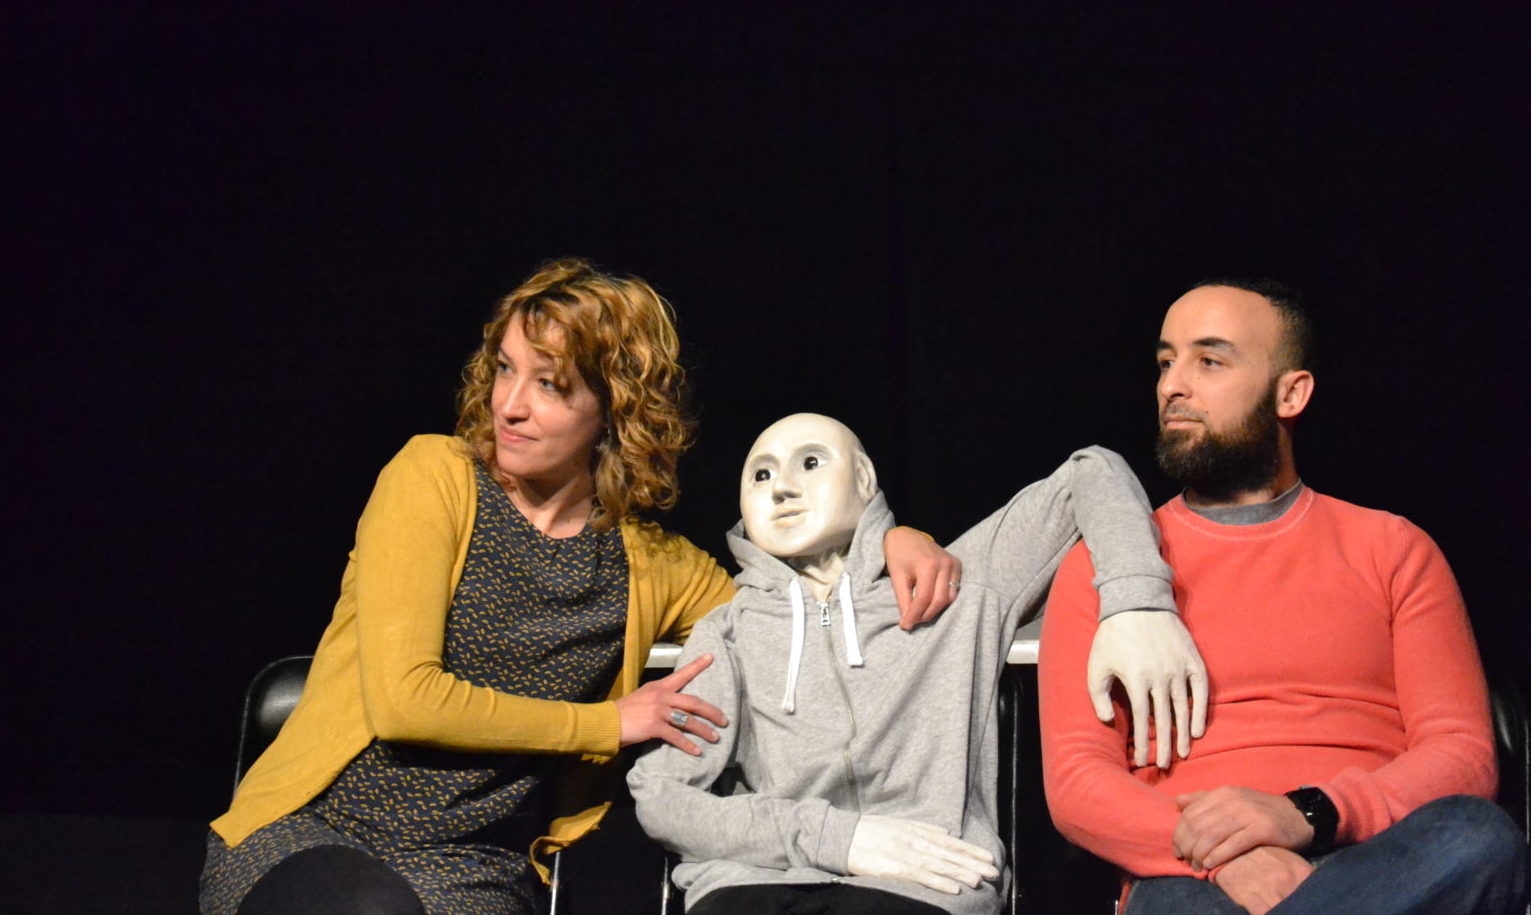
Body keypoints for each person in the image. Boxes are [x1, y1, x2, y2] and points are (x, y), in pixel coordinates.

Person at [200, 260, 966, 915]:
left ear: (614, 409)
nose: (510, 404)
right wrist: (607, 724)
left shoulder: (649, 563)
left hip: (476, 872)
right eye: (506, 369)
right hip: (315, 834)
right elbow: (407, 701)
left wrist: (886, 535)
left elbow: (789, 605)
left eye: (551, 384)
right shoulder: (432, 477)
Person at [1039, 279, 1528, 915]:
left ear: (1291, 393)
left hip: (1382, 857)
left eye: (1209, 361)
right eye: (1166, 362)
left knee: (1476, 837)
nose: (1172, 386)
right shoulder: (1106, 569)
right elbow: (1078, 781)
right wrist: (1225, 857)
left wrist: (1306, 815)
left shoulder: (1394, 549)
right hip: (1193, 871)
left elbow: (1461, 756)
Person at [629, 412, 1203, 915]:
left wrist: (1137, 603)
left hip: (925, 884)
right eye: (761, 474)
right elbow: (662, 796)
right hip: (756, 885)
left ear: (864, 480)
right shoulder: (728, 630)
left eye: (811, 462)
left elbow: (1089, 474)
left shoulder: (954, 587)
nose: (781, 488)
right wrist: (841, 839)